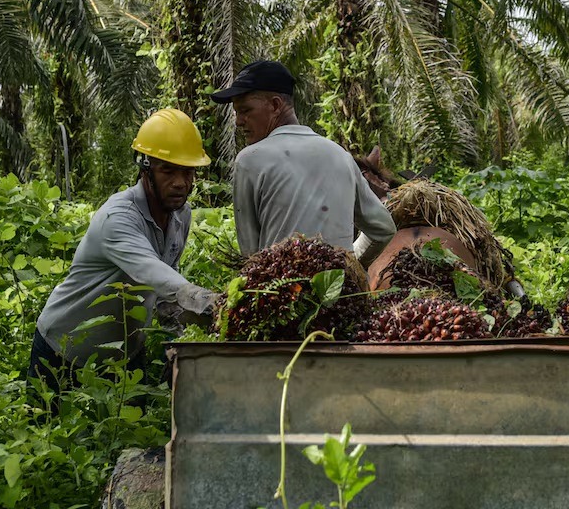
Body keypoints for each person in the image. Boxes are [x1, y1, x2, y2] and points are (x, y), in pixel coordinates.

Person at [29, 109, 219, 400]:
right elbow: (154, 273)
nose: (181, 182)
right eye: (168, 170)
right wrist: (214, 304)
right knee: (47, 438)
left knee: (133, 443)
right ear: (146, 168)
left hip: (126, 355)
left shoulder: (181, 214)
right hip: (64, 353)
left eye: (188, 171)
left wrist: (185, 340)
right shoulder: (117, 217)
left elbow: (166, 292)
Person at [210, 60, 396, 260]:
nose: (238, 122)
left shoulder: (249, 160)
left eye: (245, 111)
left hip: (281, 289)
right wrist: (351, 266)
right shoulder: (340, 155)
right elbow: (384, 229)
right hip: (344, 289)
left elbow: (250, 256)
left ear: (275, 105)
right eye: (237, 113)